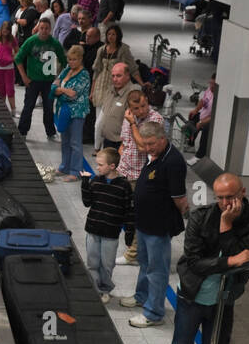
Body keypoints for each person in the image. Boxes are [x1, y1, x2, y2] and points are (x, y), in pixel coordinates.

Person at [148, 173, 249, 344]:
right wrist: (229, 261)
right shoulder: (200, 217)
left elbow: (242, 258)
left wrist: (226, 228)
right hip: (193, 293)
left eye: (230, 197)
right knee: (182, 343)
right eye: (220, 198)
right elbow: (194, 262)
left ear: (242, 193)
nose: (225, 203)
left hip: (225, 296)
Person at [118, 121, 187, 329]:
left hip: (158, 226)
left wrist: (182, 215)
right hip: (145, 223)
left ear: (162, 139)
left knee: (157, 270)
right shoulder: (156, 156)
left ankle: (154, 312)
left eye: (151, 144)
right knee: (145, 264)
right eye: (145, 144)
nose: (147, 148)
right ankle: (142, 296)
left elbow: (180, 198)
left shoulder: (173, 161)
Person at [114, 86, 162, 263]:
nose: (141, 111)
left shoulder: (155, 119)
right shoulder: (128, 117)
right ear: (130, 108)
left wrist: (134, 123)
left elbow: (143, 146)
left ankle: (133, 254)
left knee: (139, 215)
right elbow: (124, 141)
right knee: (126, 213)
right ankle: (131, 246)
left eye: (144, 106)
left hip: (142, 175)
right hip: (124, 171)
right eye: (137, 108)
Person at [80, 148, 134, 303]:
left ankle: (105, 290)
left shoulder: (123, 186)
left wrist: (129, 237)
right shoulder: (96, 181)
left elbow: (129, 212)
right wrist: (84, 182)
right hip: (93, 230)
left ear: (112, 166)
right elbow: (87, 202)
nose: (97, 167)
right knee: (92, 263)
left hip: (111, 233)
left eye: (100, 165)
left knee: (107, 265)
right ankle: (96, 289)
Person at [15, 17, 65, 140]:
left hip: (49, 81)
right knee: (28, 106)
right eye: (41, 28)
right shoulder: (31, 41)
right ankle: (22, 131)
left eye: (46, 28)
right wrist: (24, 77)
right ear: (38, 28)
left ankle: (50, 132)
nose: (43, 31)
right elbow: (18, 59)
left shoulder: (55, 43)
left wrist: (59, 78)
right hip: (33, 80)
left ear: (50, 29)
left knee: (48, 107)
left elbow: (64, 61)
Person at [52, 44, 91, 180]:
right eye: (69, 59)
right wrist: (62, 90)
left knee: (75, 142)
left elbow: (73, 94)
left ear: (80, 59)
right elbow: (54, 85)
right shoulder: (67, 69)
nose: (71, 62)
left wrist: (60, 90)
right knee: (65, 140)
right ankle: (65, 166)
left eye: (74, 59)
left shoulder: (84, 75)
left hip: (77, 112)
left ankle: (75, 171)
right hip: (64, 110)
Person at [186, 72, 217, 159]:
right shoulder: (209, 90)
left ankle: (199, 156)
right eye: (210, 83)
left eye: (213, 84)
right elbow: (202, 101)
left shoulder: (219, 97)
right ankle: (190, 144)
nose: (211, 86)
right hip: (203, 115)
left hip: (210, 120)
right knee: (192, 118)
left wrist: (202, 122)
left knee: (206, 129)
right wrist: (195, 110)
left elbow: (215, 116)